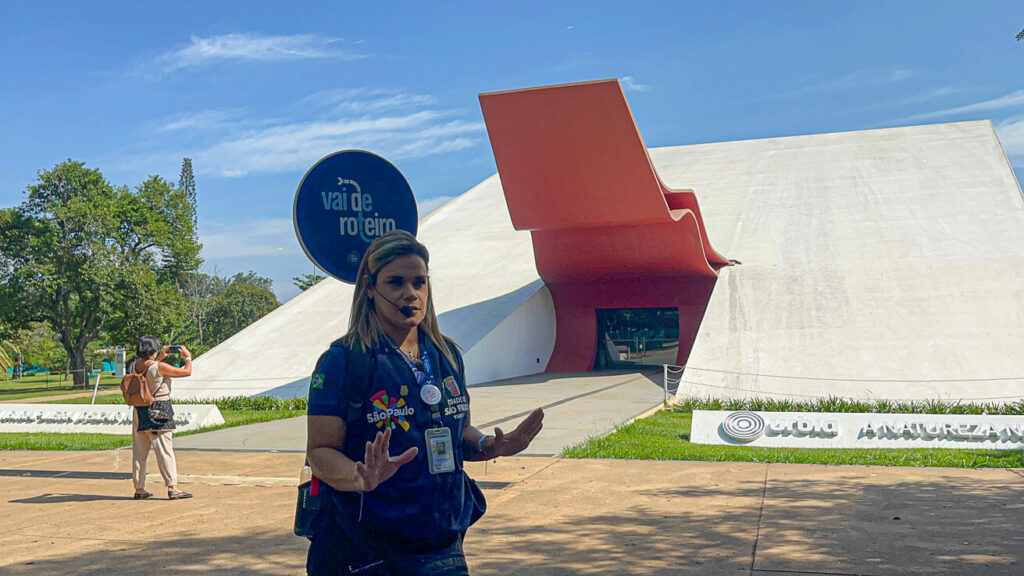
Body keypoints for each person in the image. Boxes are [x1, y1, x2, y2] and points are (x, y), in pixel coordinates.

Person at [306, 230, 544, 576]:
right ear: (370, 289)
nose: (410, 293)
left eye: (419, 282)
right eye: (396, 282)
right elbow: (320, 451)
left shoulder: (447, 355)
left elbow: (456, 430)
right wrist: (359, 478)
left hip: (442, 545)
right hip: (367, 552)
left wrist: (491, 445)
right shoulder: (344, 361)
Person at [130, 335, 194, 500]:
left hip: (139, 410)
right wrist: (187, 356)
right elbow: (186, 372)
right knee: (164, 450)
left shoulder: (134, 366)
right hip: (159, 410)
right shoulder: (160, 366)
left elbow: (148, 371)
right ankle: (172, 486)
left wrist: (160, 358)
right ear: (154, 350)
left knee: (139, 452)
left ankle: (139, 488)